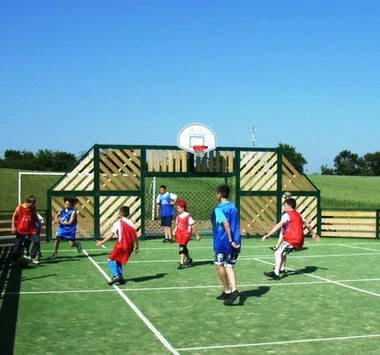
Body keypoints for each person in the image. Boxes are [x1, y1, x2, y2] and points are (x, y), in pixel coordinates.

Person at [262, 198, 320, 280]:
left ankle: (276, 273)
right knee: (283, 252)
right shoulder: (299, 215)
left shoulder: (287, 215)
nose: (284, 207)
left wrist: (268, 234)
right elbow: (307, 223)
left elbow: (279, 225)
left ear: (289, 206)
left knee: (277, 252)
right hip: (299, 240)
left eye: (285, 205)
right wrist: (313, 233)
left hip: (293, 239)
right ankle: (281, 269)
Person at [210, 184, 241, 305]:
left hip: (224, 242)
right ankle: (232, 290)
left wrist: (230, 240)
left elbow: (226, 224)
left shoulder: (219, 209)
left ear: (219, 194)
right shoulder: (233, 207)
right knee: (229, 266)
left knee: (219, 265)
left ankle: (228, 289)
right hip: (236, 240)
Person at [96, 206, 139, 285]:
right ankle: (120, 276)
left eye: (119, 213)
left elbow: (111, 235)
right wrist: (137, 246)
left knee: (110, 259)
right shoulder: (131, 223)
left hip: (121, 245)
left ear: (121, 214)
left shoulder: (118, 222)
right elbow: (135, 236)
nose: (118, 214)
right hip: (130, 246)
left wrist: (101, 242)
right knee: (118, 260)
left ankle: (116, 275)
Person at [11, 195, 40, 265]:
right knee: (17, 245)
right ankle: (14, 261)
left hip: (31, 229)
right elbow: (14, 216)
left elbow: (35, 216)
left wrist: (39, 223)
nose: (33, 205)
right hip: (21, 229)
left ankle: (32, 257)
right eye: (32, 203)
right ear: (28, 202)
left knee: (37, 241)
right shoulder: (20, 207)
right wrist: (13, 227)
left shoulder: (33, 208)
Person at [173, 200, 201, 269]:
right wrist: (174, 230)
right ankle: (189, 259)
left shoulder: (188, 216)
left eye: (178, 208)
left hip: (186, 234)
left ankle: (182, 263)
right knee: (183, 246)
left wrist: (197, 235)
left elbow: (193, 226)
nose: (177, 209)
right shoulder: (178, 216)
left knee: (182, 247)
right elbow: (177, 224)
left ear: (182, 208)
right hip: (180, 234)